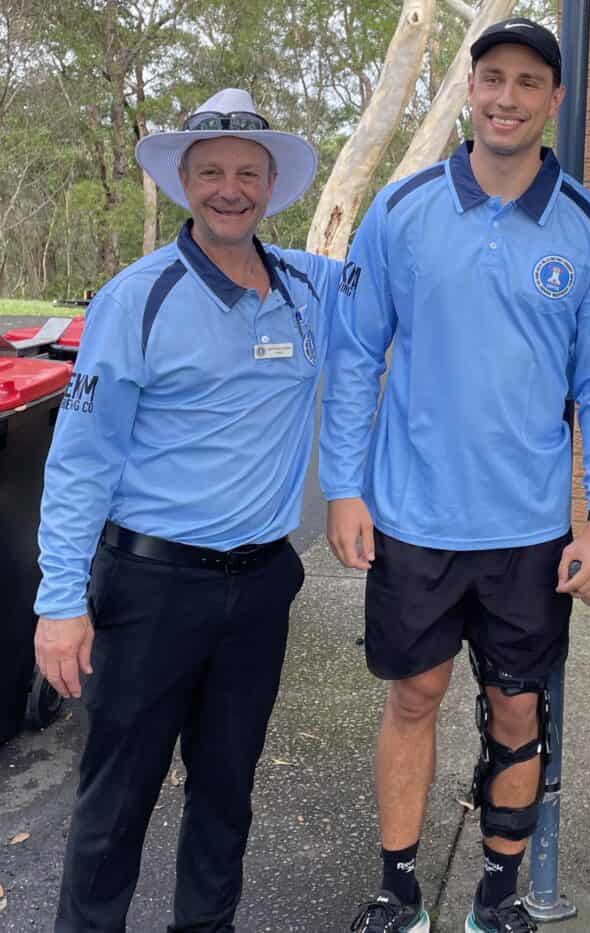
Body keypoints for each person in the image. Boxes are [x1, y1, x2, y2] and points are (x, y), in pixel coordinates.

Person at [320, 18, 590, 933]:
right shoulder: (403, 208)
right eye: (491, 77)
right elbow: (353, 356)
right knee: (413, 694)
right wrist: (344, 486)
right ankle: (400, 888)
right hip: (414, 516)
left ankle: (498, 897)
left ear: (554, 99)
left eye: (528, 82)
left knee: (515, 704)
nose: (506, 97)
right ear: (469, 88)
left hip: (529, 528)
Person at [32, 87, 341, 933]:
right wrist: (60, 600)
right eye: (211, 172)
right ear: (185, 182)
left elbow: (409, 286)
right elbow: (80, 459)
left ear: (273, 185)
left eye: (248, 172)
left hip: (262, 585)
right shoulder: (137, 297)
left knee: (226, 792)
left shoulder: (312, 291)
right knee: (114, 804)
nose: (230, 188)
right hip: (149, 587)